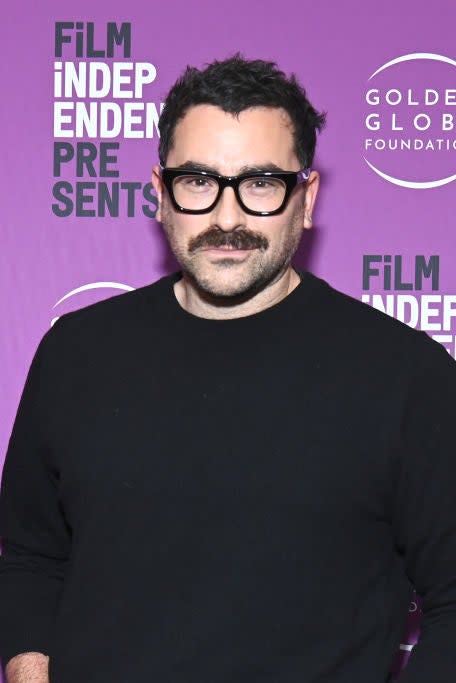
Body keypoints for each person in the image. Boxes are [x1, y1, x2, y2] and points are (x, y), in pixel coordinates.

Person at [1, 55, 455, 683]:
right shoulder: (75, 353)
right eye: (198, 181)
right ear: (160, 194)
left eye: (262, 183)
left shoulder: (408, 377)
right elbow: (29, 555)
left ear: (307, 197)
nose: (228, 218)